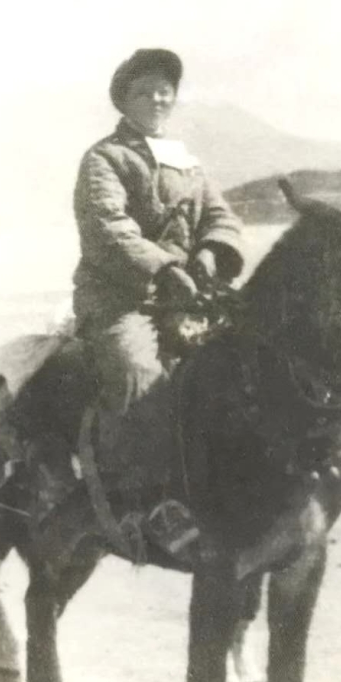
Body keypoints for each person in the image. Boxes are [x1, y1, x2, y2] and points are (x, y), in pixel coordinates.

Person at [72, 48, 245, 501]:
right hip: (124, 299)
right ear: (124, 101)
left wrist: (211, 250)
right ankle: (138, 498)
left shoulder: (185, 160)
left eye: (164, 91)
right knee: (138, 375)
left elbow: (220, 214)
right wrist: (166, 270)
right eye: (143, 92)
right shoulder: (104, 159)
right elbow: (108, 227)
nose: (157, 99)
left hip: (192, 294)